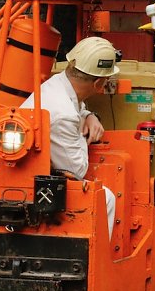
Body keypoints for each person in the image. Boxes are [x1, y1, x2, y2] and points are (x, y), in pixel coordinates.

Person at [21, 36, 118, 237]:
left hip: (26, 171)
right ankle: (95, 255)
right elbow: (76, 170)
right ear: (99, 83)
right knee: (105, 198)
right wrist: (83, 134)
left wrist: (89, 116)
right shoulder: (64, 115)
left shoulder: (57, 84)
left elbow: (76, 107)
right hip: (33, 183)